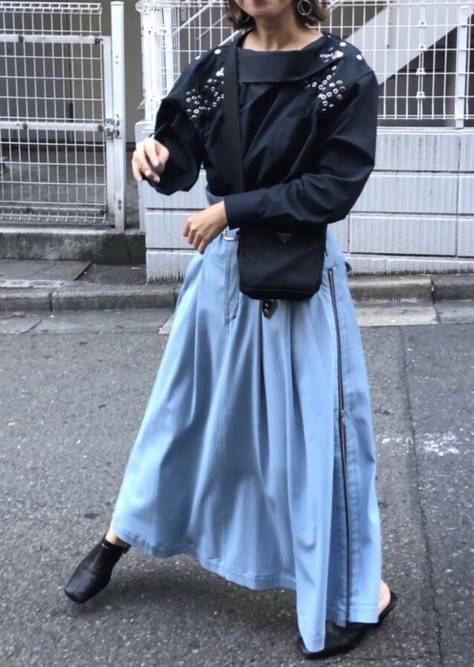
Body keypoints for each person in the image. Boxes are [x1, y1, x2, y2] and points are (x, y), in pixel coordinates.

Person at [64, 0, 398, 658]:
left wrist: (232, 211)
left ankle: (360, 591)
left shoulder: (345, 73)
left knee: (317, 438)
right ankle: (118, 535)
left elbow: (333, 189)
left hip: (298, 277)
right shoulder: (215, 68)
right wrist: (156, 155)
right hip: (221, 278)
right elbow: (181, 160)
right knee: (180, 414)